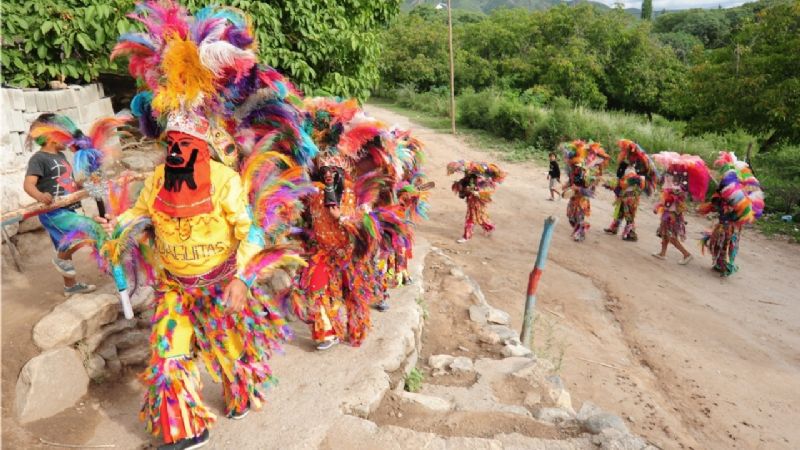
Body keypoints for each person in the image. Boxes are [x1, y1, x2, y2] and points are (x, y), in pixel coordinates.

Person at [24, 113, 96, 296]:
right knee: (79, 234)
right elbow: (28, 184)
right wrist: (40, 196)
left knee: (65, 246)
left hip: (68, 207)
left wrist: (79, 185)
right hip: (53, 212)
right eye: (64, 136)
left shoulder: (62, 156)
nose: (68, 141)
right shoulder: (39, 159)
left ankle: (70, 287)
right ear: (51, 137)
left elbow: (66, 181)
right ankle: (60, 260)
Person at [652, 171, 693, 264]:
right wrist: (658, 206)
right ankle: (662, 253)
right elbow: (665, 200)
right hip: (668, 213)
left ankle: (686, 254)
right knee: (664, 234)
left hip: (671, 216)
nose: (670, 177)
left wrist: (658, 205)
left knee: (671, 237)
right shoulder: (674, 188)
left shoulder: (679, 189)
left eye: (674, 176)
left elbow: (670, 200)